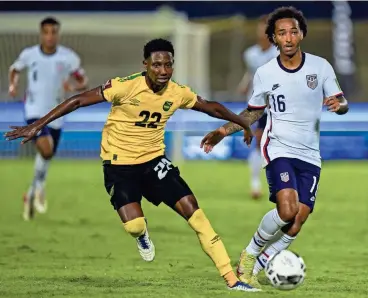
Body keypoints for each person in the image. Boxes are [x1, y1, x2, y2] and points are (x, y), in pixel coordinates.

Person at [5, 38, 260, 292]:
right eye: (157, 65)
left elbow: (211, 107)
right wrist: (37, 125)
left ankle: (232, 279)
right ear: (145, 64)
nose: (163, 71)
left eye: (168, 65)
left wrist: (243, 123)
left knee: (195, 213)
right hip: (119, 166)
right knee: (134, 225)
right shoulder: (124, 87)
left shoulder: (177, 92)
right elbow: (78, 100)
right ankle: (142, 235)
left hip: (154, 162)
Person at [200, 6, 349, 288]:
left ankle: (258, 265)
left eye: (293, 31)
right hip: (278, 146)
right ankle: (249, 254)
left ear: (302, 34)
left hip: (310, 153)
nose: (289, 37)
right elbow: (253, 112)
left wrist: (338, 105)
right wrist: (223, 130)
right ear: (274, 38)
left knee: (299, 219)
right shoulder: (265, 72)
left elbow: (342, 102)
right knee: (288, 209)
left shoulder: (321, 67)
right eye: (282, 33)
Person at [8, 16, 88, 220]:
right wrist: (13, 85)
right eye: (46, 32)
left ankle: (32, 191)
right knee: (46, 149)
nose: (50, 36)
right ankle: (40, 188)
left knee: (46, 155)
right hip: (34, 111)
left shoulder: (68, 57)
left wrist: (75, 87)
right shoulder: (29, 54)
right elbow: (14, 69)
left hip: (57, 113)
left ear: (57, 34)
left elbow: (83, 81)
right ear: (41, 33)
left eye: (54, 32)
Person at [237, 15, 279, 199]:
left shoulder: (279, 53)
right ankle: (255, 183)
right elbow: (251, 71)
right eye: (260, 29)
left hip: (278, 106)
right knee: (259, 141)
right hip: (259, 105)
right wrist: (245, 83)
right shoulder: (250, 54)